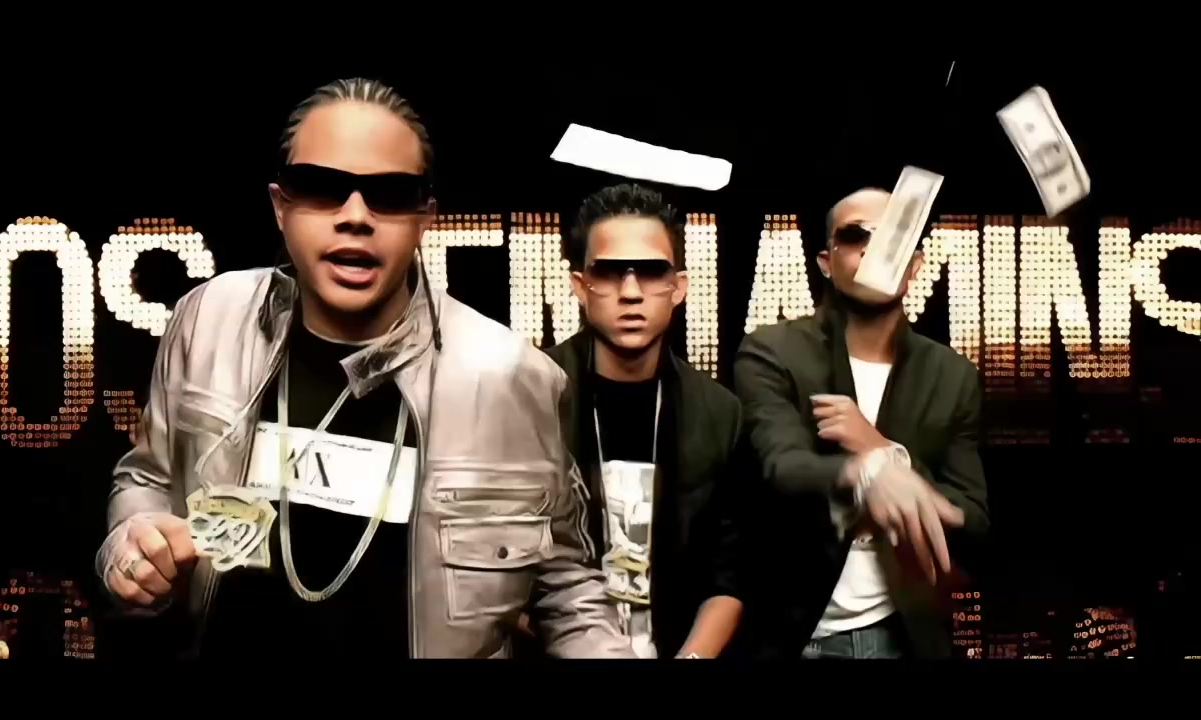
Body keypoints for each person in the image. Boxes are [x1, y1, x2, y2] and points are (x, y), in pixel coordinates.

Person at [94, 78, 633, 659]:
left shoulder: (510, 376)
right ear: (280, 206)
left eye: (391, 194)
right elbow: (146, 481)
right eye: (321, 187)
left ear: (425, 218)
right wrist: (128, 545)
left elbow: (567, 588)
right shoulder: (208, 319)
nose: (355, 216)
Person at [733, 187, 988, 659]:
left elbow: (973, 521)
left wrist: (883, 452)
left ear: (915, 264)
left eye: (894, 234)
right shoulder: (772, 352)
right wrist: (864, 472)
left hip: (903, 637)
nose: (875, 248)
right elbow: (781, 466)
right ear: (827, 262)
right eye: (856, 236)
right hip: (795, 635)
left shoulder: (952, 376)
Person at [536, 183, 745, 658]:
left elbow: (729, 575)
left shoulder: (718, 412)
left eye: (651, 272)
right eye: (609, 273)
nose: (630, 293)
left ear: (679, 287)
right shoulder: (530, 394)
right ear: (579, 286)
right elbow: (500, 563)